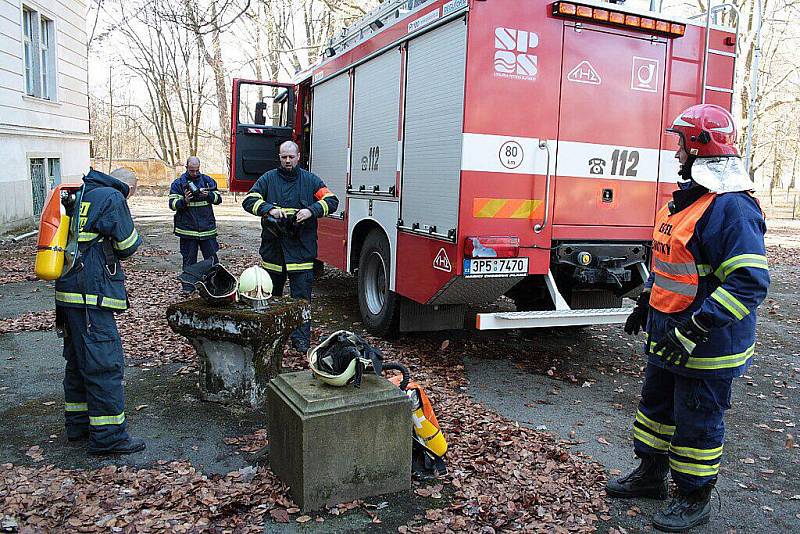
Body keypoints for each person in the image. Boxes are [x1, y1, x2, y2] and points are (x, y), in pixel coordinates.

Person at [608, 104, 770, 532]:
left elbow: (749, 282)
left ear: (698, 147)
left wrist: (698, 326)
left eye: (680, 142)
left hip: (705, 344)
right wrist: (646, 300)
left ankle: (694, 496)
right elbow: (671, 264)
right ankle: (650, 476)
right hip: (668, 334)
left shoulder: (732, 208)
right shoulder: (687, 200)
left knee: (697, 422)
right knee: (656, 409)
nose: (675, 150)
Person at [54, 168, 146, 455]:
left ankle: (79, 425)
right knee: (104, 363)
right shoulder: (112, 197)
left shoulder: (80, 193)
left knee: (79, 361)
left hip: (68, 292)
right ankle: (109, 437)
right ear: (129, 189)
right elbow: (128, 245)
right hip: (91, 294)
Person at [242, 141, 338, 353]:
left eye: (291, 157)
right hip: (273, 252)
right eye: (284, 157)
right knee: (269, 299)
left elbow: (332, 200)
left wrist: (311, 210)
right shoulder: (268, 179)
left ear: (298, 156)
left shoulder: (311, 180)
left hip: (301, 252)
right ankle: (270, 340)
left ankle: (300, 342)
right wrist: (269, 209)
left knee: (301, 301)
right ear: (279, 157)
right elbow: (249, 200)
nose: (287, 161)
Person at [168, 156, 222, 290]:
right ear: (186, 168)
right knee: (189, 260)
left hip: (207, 229)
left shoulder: (208, 181)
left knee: (212, 261)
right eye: (192, 171)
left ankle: (215, 287)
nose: (195, 173)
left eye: (197, 170)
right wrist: (184, 201)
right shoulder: (178, 183)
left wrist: (208, 195)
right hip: (187, 230)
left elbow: (218, 199)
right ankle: (188, 288)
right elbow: (172, 204)